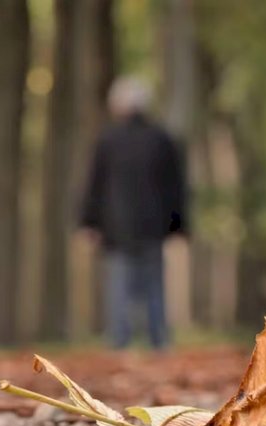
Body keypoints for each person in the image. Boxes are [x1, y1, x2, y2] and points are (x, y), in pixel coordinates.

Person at [79, 76, 187, 350]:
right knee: (154, 287)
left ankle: (119, 343)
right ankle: (158, 340)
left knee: (119, 287)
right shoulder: (161, 139)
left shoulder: (108, 140)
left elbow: (95, 185)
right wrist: (178, 227)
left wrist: (89, 222)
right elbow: (176, 188)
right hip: (154, 226)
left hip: (117, 227)